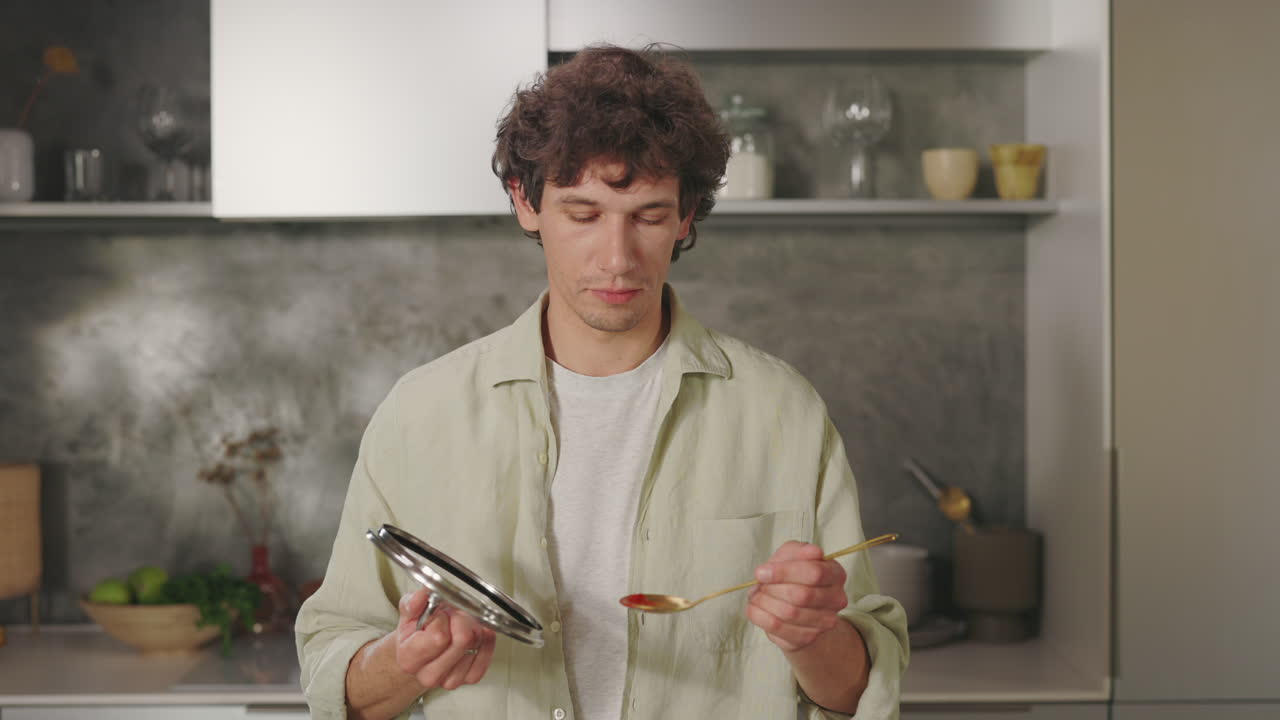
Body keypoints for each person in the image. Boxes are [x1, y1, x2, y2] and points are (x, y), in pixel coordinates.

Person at [296, 45, 908, 720]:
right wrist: (403, 664)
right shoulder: (421, 413)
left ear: (687, 216)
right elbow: (334, 667)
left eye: (647, 216)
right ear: (525, 203)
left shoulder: (782, 411)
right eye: (583, 214)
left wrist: (813, 634)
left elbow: (860, 693)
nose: (617, 258)